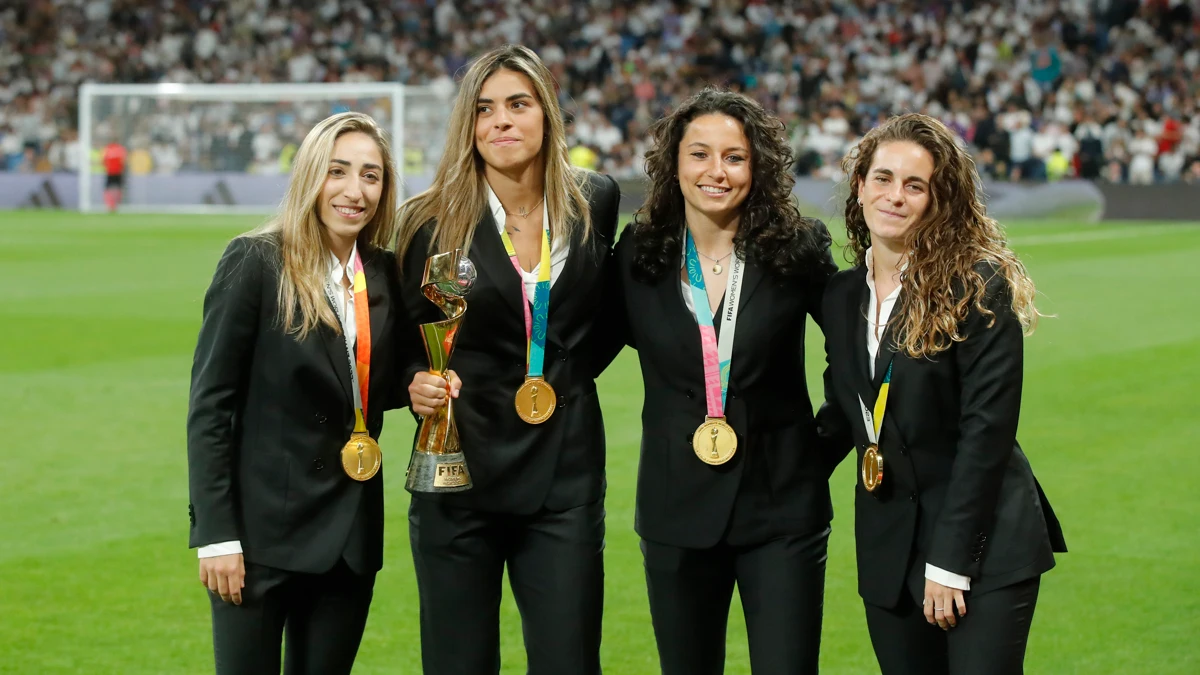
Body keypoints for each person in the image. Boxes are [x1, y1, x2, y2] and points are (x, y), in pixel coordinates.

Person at [594, 88, 839, 674]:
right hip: (675, 507)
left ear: (758, 167)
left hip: (782, 511)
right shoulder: (639, 254)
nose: (716, 172)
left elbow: (856, 351)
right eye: (699, 154)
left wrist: (819, 446)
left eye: (734, 157)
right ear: (673, 163)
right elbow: (580, 356)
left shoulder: (795, 249)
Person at [394, 45, 620, 675]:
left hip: (564, 476)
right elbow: (398, 344)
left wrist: (560, 378)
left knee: (569, 661)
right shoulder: (426, 222)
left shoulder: (593, 202)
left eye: (518, 105)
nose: (502, 121)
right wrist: (413, 383)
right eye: (485, 109)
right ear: (468, 124)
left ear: (546, 114)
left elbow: (605, 322)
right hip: (458, 474)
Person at [820, 113, 1067, 675]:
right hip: (888, 544)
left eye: (915, 185)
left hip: (983, 546)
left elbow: (987, 434)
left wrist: (951, 563)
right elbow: (847, 411)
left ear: (937, 200)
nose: (895, 196)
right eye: (882, 179)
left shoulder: (975, 286)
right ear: (859, 188)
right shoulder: (839, 295)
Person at [186, 111, 405, 675]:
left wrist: (419, 383)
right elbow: (211, 406)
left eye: (371, 176)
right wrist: (215, 536)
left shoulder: (382, 272)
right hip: (259, 541)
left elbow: (372, 377)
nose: (355, 191)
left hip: (350, 539)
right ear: (310, 174)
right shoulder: (255, 261)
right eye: (338, 171)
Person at [102, 139, 127, 212]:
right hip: (118, 171)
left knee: (108, 188)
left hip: (110, 171)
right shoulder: (121, 149)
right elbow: (124, 160)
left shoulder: (107, 148)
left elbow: (103, 160)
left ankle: (110, 205)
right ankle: (116, 204)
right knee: (118, 188)